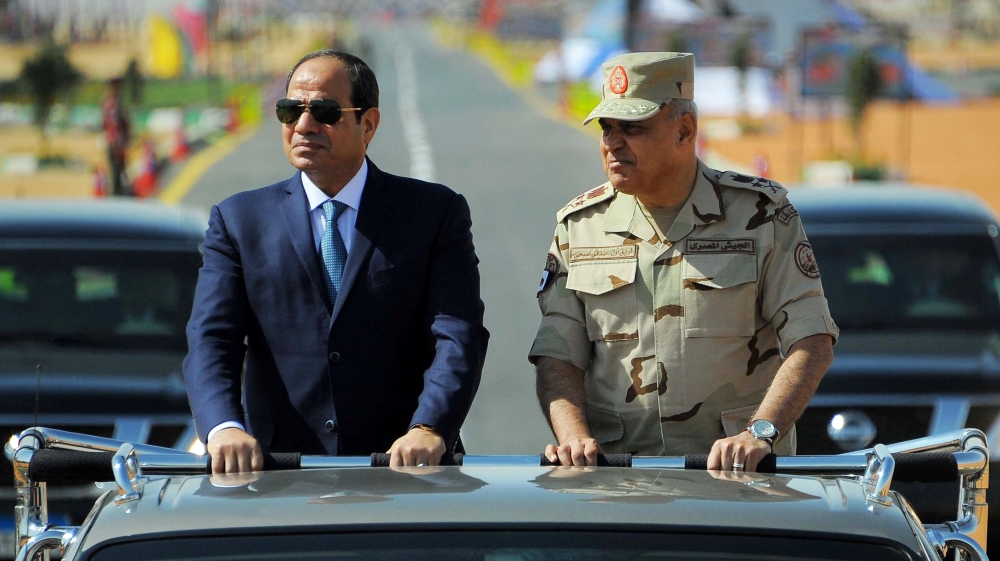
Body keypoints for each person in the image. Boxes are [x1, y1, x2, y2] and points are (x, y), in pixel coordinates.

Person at [529, 52, 838, 472]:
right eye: (607, 127)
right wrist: (572, 438)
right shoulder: (580, 226)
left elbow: (812, 341)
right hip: (617, 478)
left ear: (684, 130)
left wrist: (761, 433)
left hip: (734, 481)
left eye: (633, 128)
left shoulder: (761, 216)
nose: (613, 143)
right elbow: (557, 354)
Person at [184, 50, 489, 473]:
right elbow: (212, 339)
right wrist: (223, 427)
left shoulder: (434, 214)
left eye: (325, 111)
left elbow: (459, 334)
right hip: (278, 475)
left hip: (404, 473)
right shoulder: (238, 221)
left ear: (369, 124)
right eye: (290, 110)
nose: (304, 125)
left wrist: (429, 428)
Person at [101, 77, 131, 196]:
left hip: (116, 144)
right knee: (116, 176)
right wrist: (118, 147)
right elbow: (113, 127)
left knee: (119, 175)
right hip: (115, 145)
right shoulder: (112, 103)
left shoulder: (115, 101)